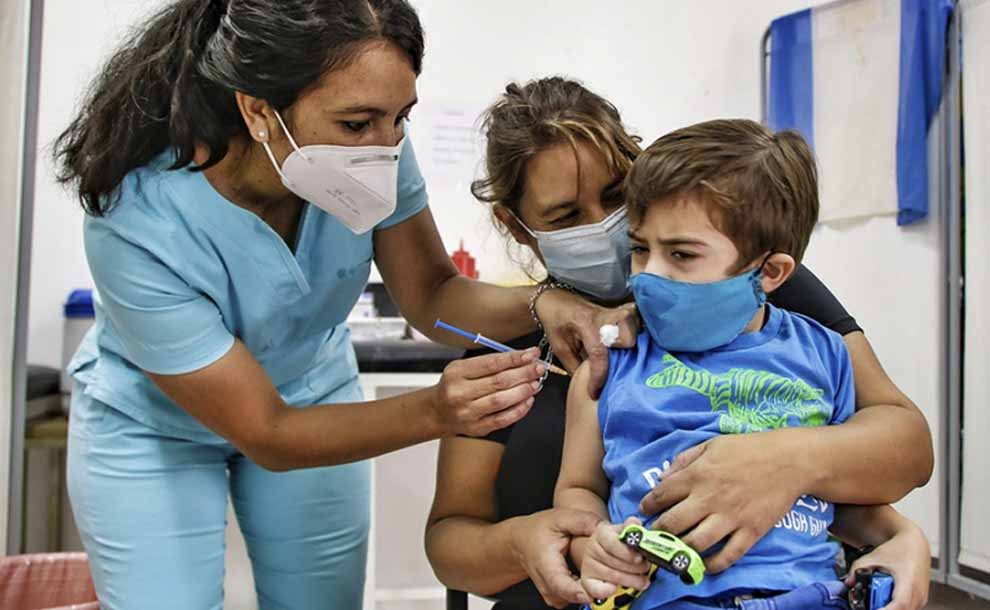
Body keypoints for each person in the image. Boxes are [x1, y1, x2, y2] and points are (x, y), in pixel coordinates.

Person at [53, 4, 632, 609]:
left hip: (311, 389)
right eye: (357, 123)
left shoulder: (374, 148)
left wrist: (546, 304)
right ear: (258, 111)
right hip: (154, 426)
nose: (384, 147)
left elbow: (433, 294)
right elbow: (268, 432)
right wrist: (437, 410)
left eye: (400, 118)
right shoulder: (137, 217)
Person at [426, 78, 933, 610]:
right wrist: (535, 541)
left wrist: (887, 527)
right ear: (516, 226)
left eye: (616, 196)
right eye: (567, 216)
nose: (607, 229)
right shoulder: (524, 350)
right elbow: (451, 541)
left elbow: (903, 443)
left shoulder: (759, 297)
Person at [556, 118, 928, 610]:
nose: (648, 276)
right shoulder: (607, 370)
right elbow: (578, 490)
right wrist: (592, 547)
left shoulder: (825, 356)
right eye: (641, 248)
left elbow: (837, 498)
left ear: (769, 272)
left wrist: (897, 536)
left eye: (682, 254)